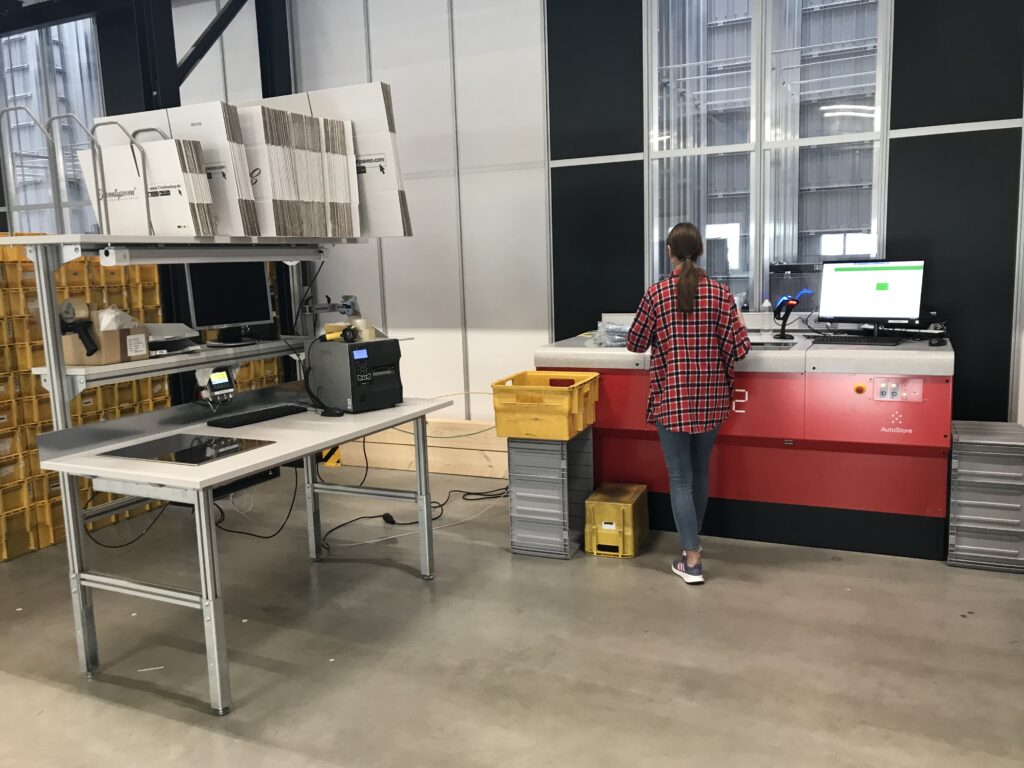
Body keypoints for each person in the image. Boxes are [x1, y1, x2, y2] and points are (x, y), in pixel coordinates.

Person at [626, 222, 750, 585]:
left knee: (679, 478)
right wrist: (737, 318)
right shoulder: (720, 294)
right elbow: (740, 351)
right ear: (700, 251)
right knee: (699, 473)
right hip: (712, 401)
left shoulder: (656, 294)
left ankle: (691, 559)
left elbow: (635, 344)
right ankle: (691, 549)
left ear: (669, 252)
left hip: (672, 398)